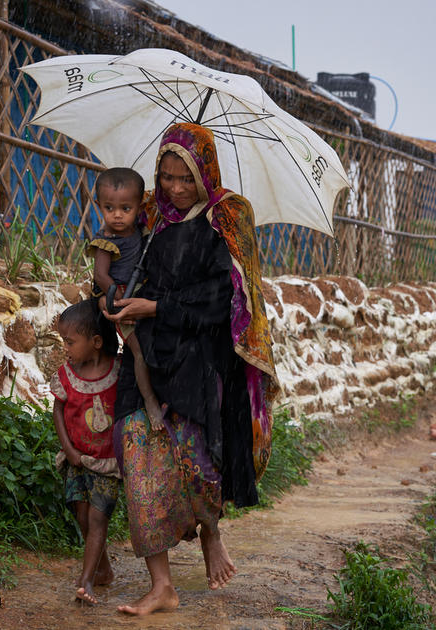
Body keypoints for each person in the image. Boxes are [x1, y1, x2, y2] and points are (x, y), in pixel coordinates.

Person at [102, 122, 279, 616]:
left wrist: (156, 308)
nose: (175, 188)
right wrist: (118, 299)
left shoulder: (227, 217)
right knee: (137, 452)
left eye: (186, 177)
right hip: (147, 359)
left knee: (194, 463)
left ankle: (210, 532)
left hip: (199, 365)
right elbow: (127, 269)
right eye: (166, 175)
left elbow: (223, 301)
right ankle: (161, 584)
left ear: (205, 172)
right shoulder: (151, 217)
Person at [50, 300, 122, 605]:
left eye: (70, 342)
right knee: (81, 514)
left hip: (107, 463)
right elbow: (58, 410)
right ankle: (102, 568)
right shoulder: (66, 375)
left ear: (95, 342)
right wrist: (68, 449)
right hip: (77, 460)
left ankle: (86, 580)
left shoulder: (119, 371)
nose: (65, 348)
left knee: (97, 518)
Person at [87, 167, 163, 429]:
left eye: (125, 209)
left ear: (139, 206)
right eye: (109, 208)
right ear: (98, 205)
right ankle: (150, 402)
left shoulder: (139, 230)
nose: (117, 215)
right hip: (117, 301)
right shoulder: (106, 239)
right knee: (138, 352)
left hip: (137, 296)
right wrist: (117, 295)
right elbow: (100, 275)